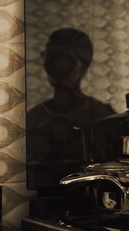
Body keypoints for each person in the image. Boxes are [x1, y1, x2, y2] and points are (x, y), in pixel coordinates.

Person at [26, 28, 114, 188]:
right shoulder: (33, 117)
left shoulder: (100, 116)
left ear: (84, 66)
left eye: (66, 62)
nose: (59, 68)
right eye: (53, 60)